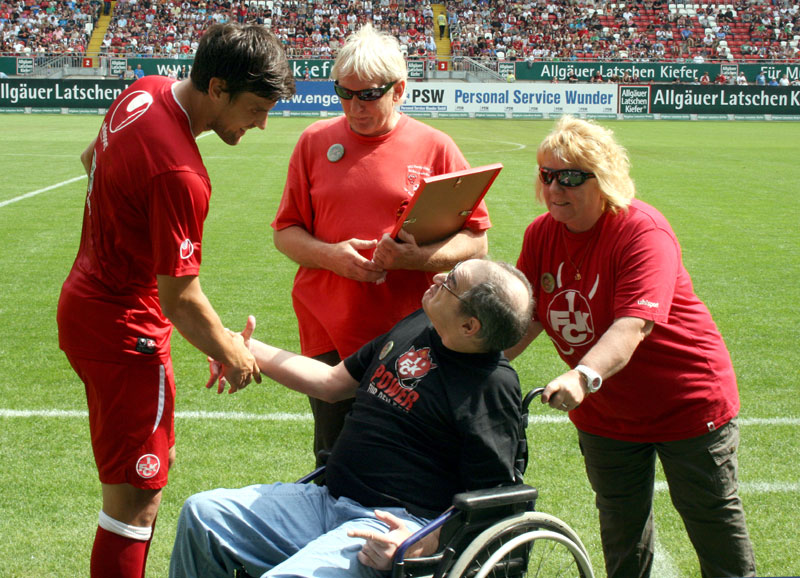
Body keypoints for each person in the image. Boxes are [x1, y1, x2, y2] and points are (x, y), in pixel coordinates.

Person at [56, 23, 295, 578]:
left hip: (87, 306)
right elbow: (181, 298)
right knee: (135, 501)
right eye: (256, 109)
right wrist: (232, 350)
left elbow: (93, 162)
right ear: (217, 87)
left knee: (136, 482)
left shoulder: (144, 88)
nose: (260, 124)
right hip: (125, 332)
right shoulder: (181, 171)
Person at [169, 259, 533, 578]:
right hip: (328, 500)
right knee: (203, 515)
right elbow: (331, 383)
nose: (438, 277)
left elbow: (494, 500)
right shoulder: (419, 325)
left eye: (451, 282)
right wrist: (240, 348)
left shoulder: (490, 387)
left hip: (388, 527)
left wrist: (421, 543)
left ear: (470, 327)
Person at [507, 116, 756, 578]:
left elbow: (632, 328)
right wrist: (486, 361)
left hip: (685, 402)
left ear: (601, 177)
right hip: (607, 415)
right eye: (547, 175)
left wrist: (581, 376)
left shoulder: (642, 231)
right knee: (621, 531)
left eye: (571, 176)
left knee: (712, 523)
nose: (555, 187)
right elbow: (530, 313)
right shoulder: (541, 233)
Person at [272, 23, 490, 466]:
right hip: (328, 329)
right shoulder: (314, 142)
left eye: (368, 94)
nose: (355, 106)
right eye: (344, 94)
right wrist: (332, 257)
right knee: (335, 456)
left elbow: (477, 241)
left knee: (408, 457)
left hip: (411, 331)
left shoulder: (435, 147)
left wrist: (417, 259)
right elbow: (286, 232)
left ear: (399, 90)